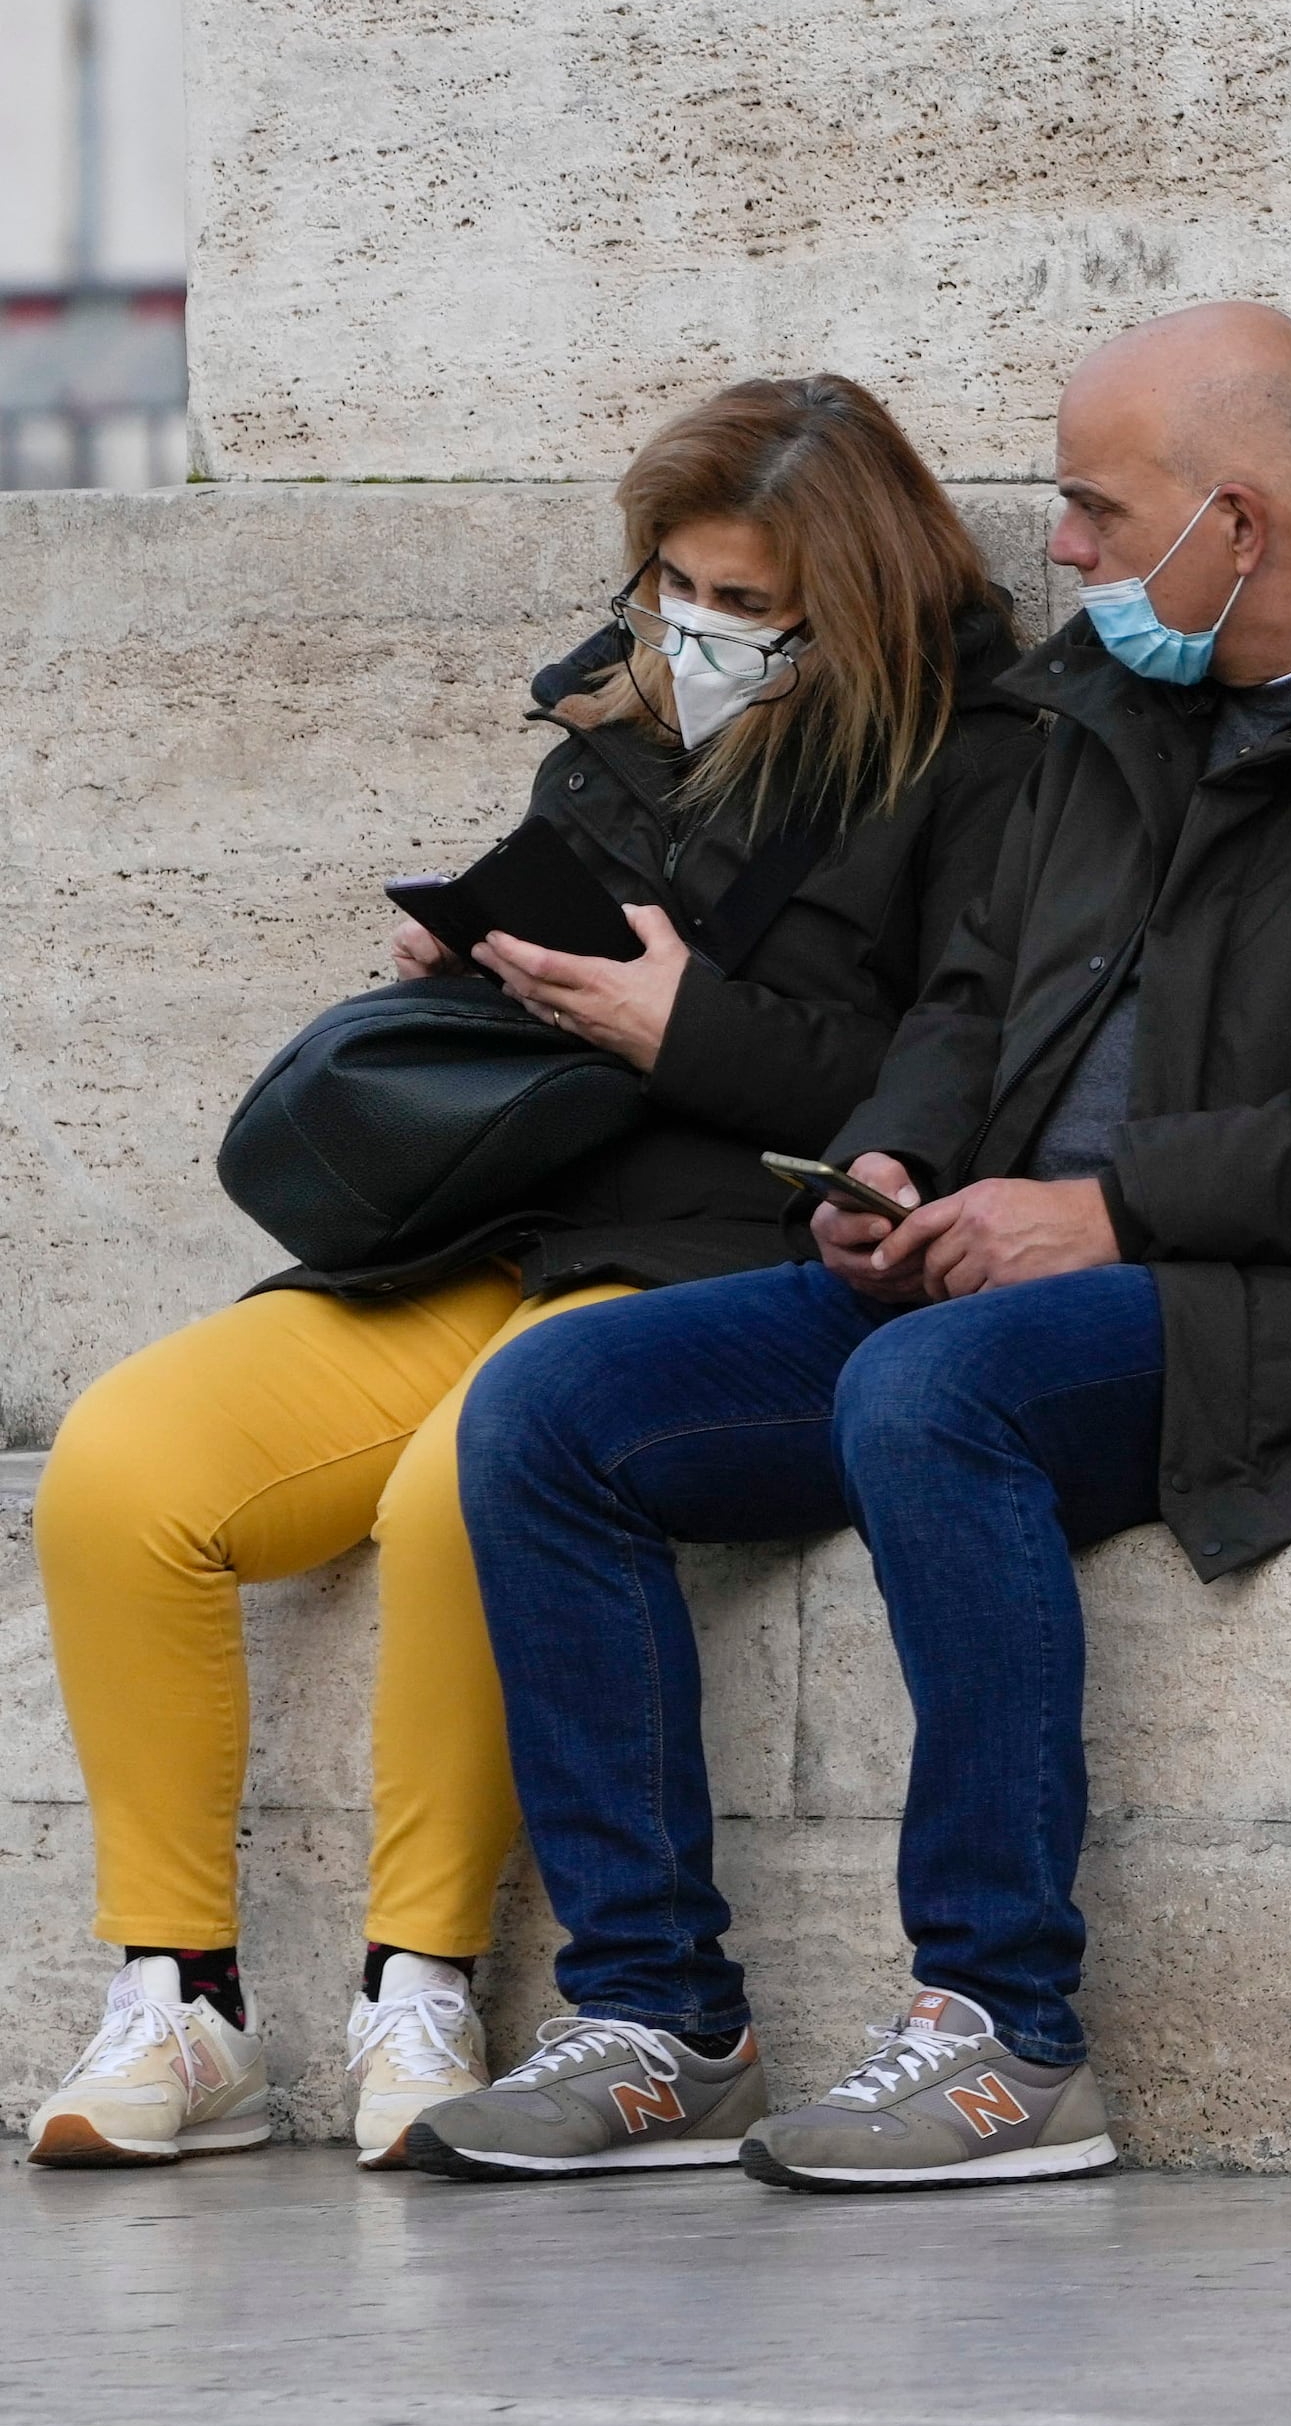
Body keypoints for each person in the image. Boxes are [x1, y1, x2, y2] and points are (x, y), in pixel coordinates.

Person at [407, 303, 1291, 2192]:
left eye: (1095, 507)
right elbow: (978, 987)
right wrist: (893, 1157)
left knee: (935, 1394)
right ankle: (660, 2019)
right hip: (1026, 1264)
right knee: (554, 1406)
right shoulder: (1118, 697)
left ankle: (1005, 2031)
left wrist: (1114, 1209)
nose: (1061, 546)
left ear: (1234, 523)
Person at [24, 376, 1035, 2171]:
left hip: (716, 1258)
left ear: (857, 598)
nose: (699, 632)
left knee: (458, 1486)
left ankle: (416, 1983)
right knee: (123, 1464)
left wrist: (681, 1027)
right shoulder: (610, 718)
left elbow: (962, 1076)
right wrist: (475, 959)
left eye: (747, 603)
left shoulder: (986, 764)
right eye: (678, 587)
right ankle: (182, 1996)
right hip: (501, 1218)